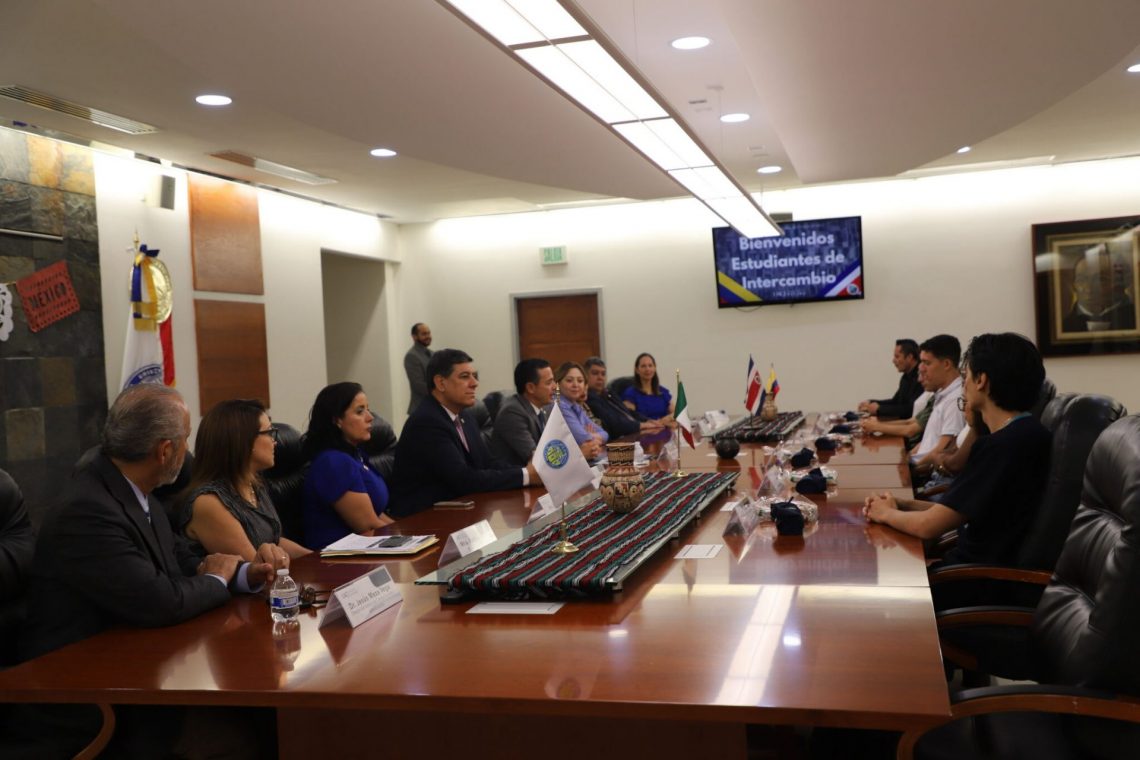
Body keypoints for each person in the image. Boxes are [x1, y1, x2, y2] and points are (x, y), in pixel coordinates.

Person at [13, 385, 281, 757]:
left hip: (138, 665)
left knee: (259, 715)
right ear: (165, 451)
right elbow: (162, 601)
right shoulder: (88, 511)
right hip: (81, 693)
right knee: (245, 729)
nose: (188, 452)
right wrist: (217, 577)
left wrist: (243, 574)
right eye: (185, 439)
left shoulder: (139, 494)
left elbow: (181, 560)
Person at [863, 333, 1051, 568]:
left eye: (966, 376)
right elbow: (955, 510)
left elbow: (928, 526)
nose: (963, 385)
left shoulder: (1002, 445)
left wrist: (884, 513)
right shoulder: (1024, 433)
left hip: (973, 580)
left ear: (981, 380)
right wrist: (902, 504)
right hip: (972, 571)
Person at [389, 349, 541, 516]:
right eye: (464, 376)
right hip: (422, 518)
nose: (474, 383)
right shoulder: (427, 422)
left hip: (460, 509)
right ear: (440, 383)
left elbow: (488, 463)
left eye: (474, 376)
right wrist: (526, 475)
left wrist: (529, 472)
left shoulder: (464, 415)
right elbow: (464, 479)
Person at [180, 398, 310, 562]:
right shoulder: (209, 502)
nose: (275, 441)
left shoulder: (254, 483)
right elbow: (256, 568)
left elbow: (274, 540)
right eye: (269, 432)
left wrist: (319, 558)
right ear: (244, 441)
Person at [301, 382, 393, 549]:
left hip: (369, 550)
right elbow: (368, 526)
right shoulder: (333, 463)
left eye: (368, 409)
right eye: (360, 411)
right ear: (337, 420)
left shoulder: (355, 456)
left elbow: (377, 514)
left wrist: (410, 533)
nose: (370, 417)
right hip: (338, 559)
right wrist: (406, 539)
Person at [862, 334, 964, 467]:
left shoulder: (955, 400)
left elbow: (942, 450)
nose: (921, 368)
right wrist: (909, 456)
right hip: (917, 462)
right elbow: (930, 440)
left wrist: (912, 467)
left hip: (925, 472)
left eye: (927, 363)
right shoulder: (942, 394)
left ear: (946, 364)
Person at [491, 358, 555, 466]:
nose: (554, 387)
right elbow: (536, 457)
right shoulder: (512, 413)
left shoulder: (545, 408)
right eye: (549, 383)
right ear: (530, 388)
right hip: (516, 474)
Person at [583, 356, 663, 438]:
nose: (600, 378)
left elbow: (627, 411)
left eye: (603, 374)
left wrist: (647, 420)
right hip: (616, 440)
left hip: (631, 433)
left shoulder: (608, 393)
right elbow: (614, 423)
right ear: (585, 376)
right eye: (595, 373)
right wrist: (641, 425)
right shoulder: (588, 398)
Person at [1061, 249, 1137, 332]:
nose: (1089, 289)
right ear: (1074, 285)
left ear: (1120, 283)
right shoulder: (1063, 326)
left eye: (1100, 280)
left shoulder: (1135, 319)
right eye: (1081, 280)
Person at [554, 361, 606, 461]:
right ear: (558, 383)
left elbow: (604, 434)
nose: (576, 385)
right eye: (569, 380)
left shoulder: (575, 405)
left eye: (580, 381)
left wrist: (590, 436)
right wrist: (590, 437)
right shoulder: (559, 404)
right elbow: (583, 439)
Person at [858, 338, 922, 418]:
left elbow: (910, 409)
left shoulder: (922, 377)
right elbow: (896, 402)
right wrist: (871, 403)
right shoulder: (906, 377)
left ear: (909, 357)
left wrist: (880, 409)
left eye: (897, 357)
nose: (893, 361)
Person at [621, 352, 674, 423]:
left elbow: (676, 413)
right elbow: (629, 419)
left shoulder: (662, 392)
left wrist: (667, 420)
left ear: (655, 368)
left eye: (650, 365)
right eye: (643, 366)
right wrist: (657, 423)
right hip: (644, 429)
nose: (647, 369)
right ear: (637, 370)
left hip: (665, 427)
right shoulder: (630, 394)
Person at [404, 322, 434, 414]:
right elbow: (418, 385)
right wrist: (441, 392)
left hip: (434, 407)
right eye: (424, 334)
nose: (428, 336)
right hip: (420, 409)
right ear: (414, 337)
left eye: (429, 333)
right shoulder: (411, 356)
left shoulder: (433, 354)